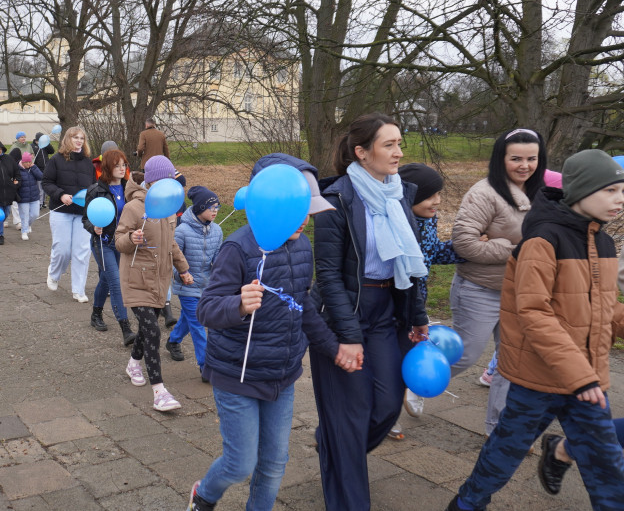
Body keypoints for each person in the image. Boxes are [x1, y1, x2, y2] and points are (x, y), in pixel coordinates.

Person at [447, 149, 624, 511]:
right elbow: (533, 312)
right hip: (538, 378)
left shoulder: (603, 243)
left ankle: (562, 457)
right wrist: (580, 376)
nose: (620, 199)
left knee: (608, 468)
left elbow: (604, 308)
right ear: (581, 192)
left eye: (622, 191)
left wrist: (587, 373)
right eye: (610, 191)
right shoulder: (543, 240)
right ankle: (466, 504)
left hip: (587, 382)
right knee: (503, 455)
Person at [187, 153, 355, 511]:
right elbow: (206, 310)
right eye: (299, 211)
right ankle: (204, 495)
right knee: (240, 463)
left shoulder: (302, 247)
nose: (306, 221)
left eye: (308, 212)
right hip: (237, 374)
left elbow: (303, 306)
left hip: (281, 375)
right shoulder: (238, 248)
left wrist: (333, 347)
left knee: (275, 464)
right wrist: (238, 304)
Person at [311, 113, 430, 511]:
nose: (398, 152)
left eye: (400, 143)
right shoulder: (336, 200)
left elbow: (413, 266)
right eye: (389, 145)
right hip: (343, 312)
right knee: (352, 414)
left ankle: (334, 445)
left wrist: (417, 316)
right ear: (362, 153)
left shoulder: (400, 195)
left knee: (385, 405)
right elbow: (328, 275)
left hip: (386, 313)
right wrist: (347, 335)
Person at [450, 128, 545, 437]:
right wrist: (518, 250)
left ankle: (498, 431)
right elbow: (464, 244)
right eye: (515, 158)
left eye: (532, 158)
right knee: (465, 355)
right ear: (500, 158)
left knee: (511, 363)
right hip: (480, 289)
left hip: (521, 293)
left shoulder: (543, 191)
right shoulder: (484, 192)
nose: (524, 165)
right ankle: (407, 385)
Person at [387, 163, 466, 440]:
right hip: (395, 309)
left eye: (439, 194)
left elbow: (433, 254)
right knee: (391, 364)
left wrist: (468, 250)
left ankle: (401, 403)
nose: (438, 201)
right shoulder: (396, 228)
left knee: (406, 359)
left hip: (417, 307)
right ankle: (387, 417)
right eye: (431, 195)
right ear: (409, 196)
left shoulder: (428, 221)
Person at [116, 155, 193, 412]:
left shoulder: (170, 207)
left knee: (148, 329)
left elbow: (170, 243)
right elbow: (118, 240)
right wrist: (131, 237)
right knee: (153, 331)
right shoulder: (134, 208)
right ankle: (159, 392)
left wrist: (183, 269)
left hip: (161, 280)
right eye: (164, 179)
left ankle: (133, 363)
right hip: (136, 279)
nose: (169, 183)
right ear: (152, 181)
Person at [164, 186, 222, 378]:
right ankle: (205, 366)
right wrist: (181, 273)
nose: (215, 211)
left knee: (189, 319)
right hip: (187, 285)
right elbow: (171, 257)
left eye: (217, 207)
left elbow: (219, 257)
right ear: (198, 208)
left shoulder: (218, 231)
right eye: (210, 207)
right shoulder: (182, 231)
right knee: (198, 322)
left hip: (207, 285)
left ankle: (173, 340)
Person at [82, 149, 135, 344]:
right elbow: (85, 219)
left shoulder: (129, 189)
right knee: (116, 282)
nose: (122, 169)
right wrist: (93, 227)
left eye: (124, 165)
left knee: (106, 279)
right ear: (107, 168)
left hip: (122, 242)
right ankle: (126, 329)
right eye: (117, 165)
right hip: (102, 243)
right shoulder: (95, 190)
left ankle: (96, 314)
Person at [42, 126, 97, 301]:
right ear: (68, 139)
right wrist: (61, 195)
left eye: (82, 138)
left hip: (82, 213)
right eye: (75, 137)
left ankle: (78, 290)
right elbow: (46, 182)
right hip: (61, 211)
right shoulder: (56, 160)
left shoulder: (88, 162)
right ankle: (54, 273)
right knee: (62, 249)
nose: (79, 140)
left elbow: (94, 186)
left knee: (82, 252)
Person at [16, 152, 43, 240]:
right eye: (26, 162)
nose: (28, 164)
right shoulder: (17, 169)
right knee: (24, 215)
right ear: (22, 162)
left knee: (35, 214)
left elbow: (41, 177)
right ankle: (24, 231)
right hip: (23, 197)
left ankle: (28, 225)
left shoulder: (33, 168)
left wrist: (34, 167)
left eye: (29, 162)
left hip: (34, 196)